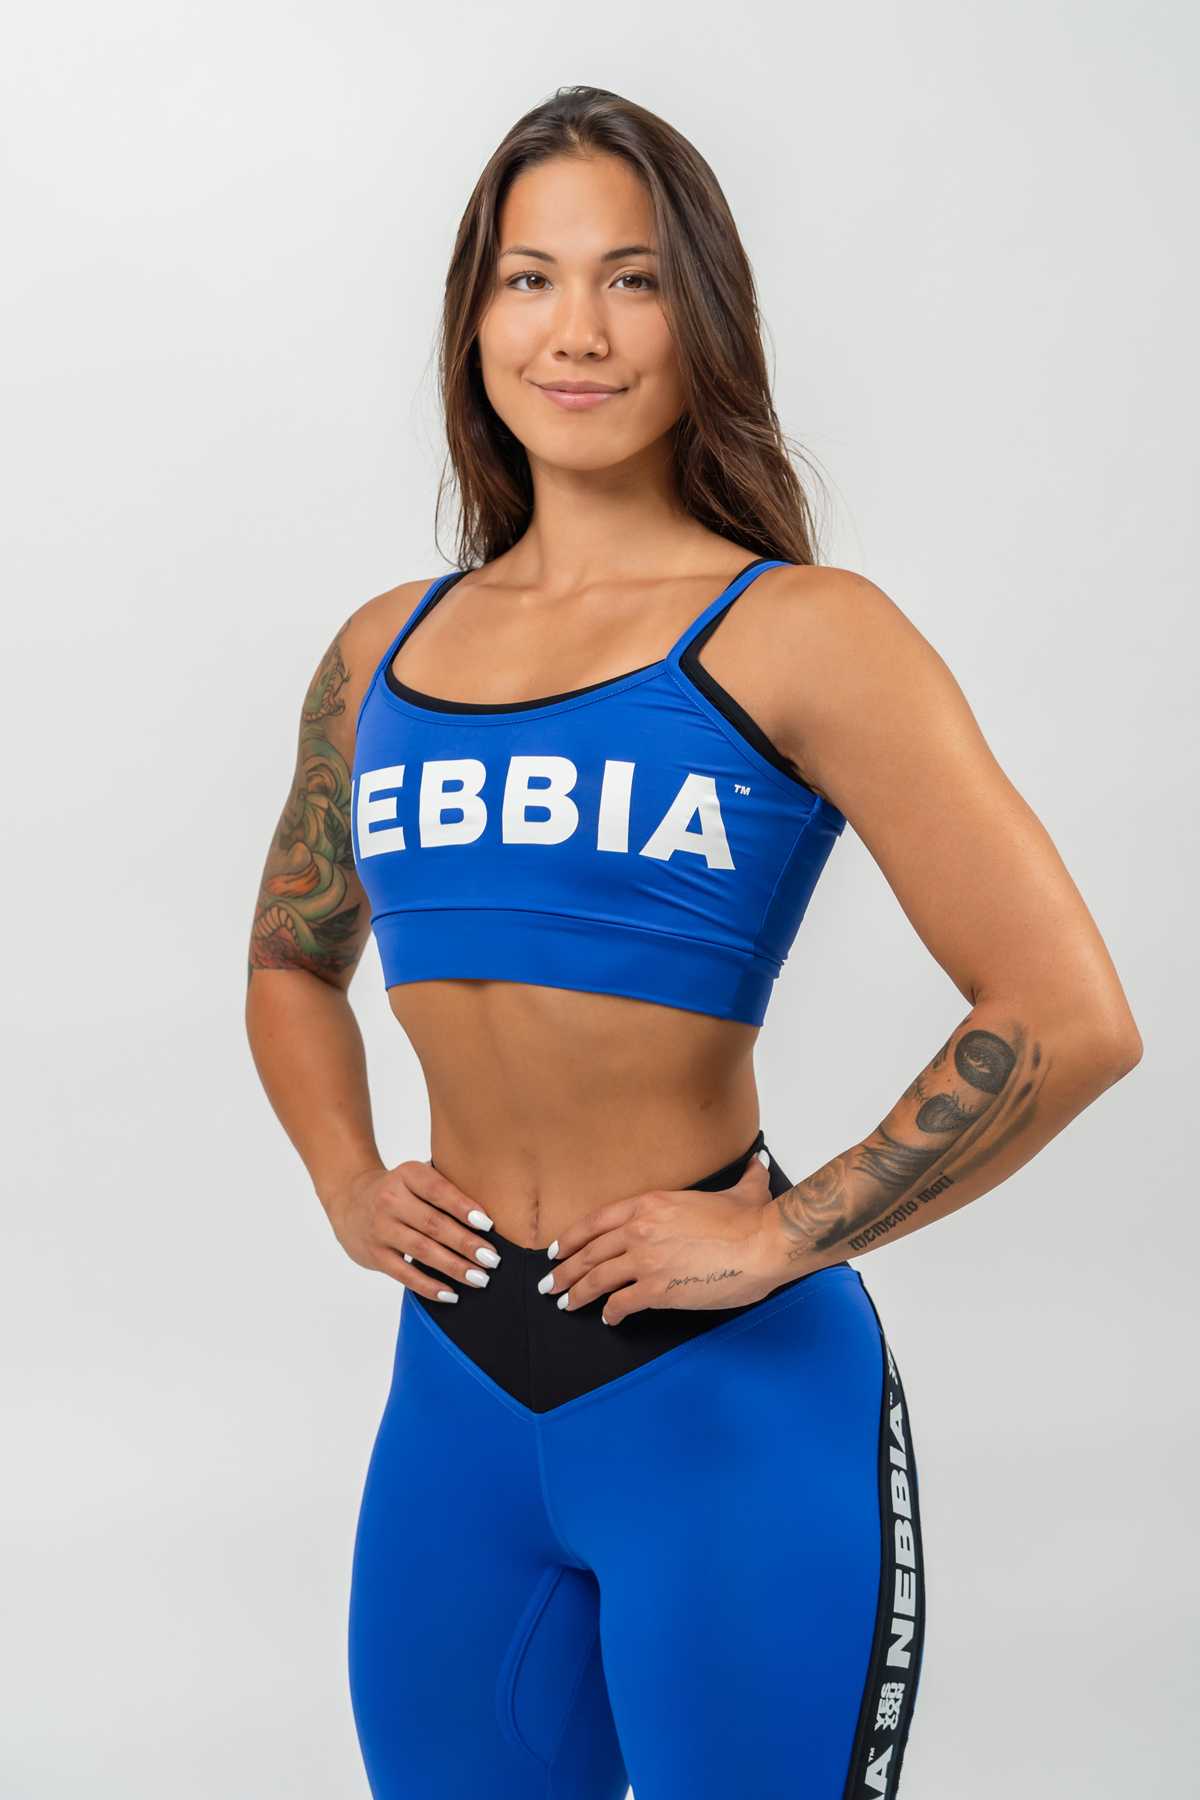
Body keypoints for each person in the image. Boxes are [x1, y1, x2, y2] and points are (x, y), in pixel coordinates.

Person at [244, 84, 1142, 1800]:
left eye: (633, 280)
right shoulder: (382, 655)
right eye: (530, 278)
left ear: (702, 316)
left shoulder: (802, 634)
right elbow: (292, 959)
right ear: (475, 319)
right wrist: (347, 1178)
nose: (576, 330)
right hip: (454, 1401)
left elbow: (1070, 1013)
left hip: (721, 1400)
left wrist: (784, 1232)